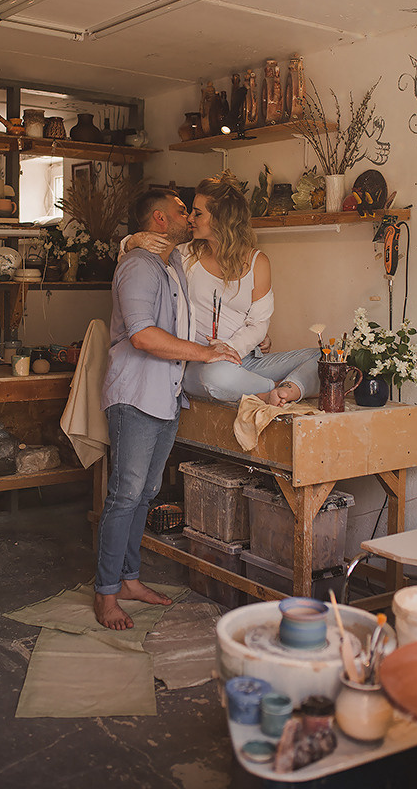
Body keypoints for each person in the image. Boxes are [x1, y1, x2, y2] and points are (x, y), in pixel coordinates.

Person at [95, 188, 241, 631]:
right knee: (124, 495)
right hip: (136, 396)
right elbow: (142, 336)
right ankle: (105, 593)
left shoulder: (172, 260)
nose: (189, 217)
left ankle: (129, 580)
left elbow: (217, 241)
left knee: (144, 494)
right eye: (182, 211)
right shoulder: (139, 265)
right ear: (160, 219)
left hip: (165, 395)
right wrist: (206, 354)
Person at [123, 174, 319, 407]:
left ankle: (283, 387)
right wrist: (131, 242)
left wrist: (228, 350)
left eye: (198, 213)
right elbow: (136, 259)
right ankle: (275, 389)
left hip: (245, 360)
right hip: (200, 365)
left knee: (320, 357)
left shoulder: (257, 262)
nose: (190, 219)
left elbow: (258, 324)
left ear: (220, 219)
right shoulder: (184, 256)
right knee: (215, 377)